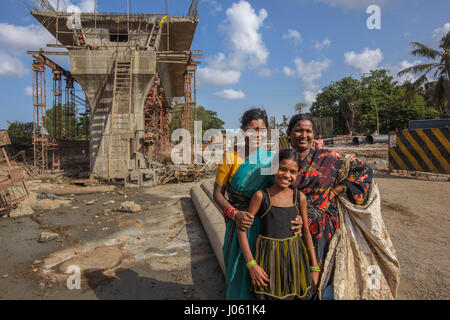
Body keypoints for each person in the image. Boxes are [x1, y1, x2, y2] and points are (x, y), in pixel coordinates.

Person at [213, 108, 303, 300]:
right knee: (238, 274)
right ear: (243, 130)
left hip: (267, 228)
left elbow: (282, 191)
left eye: (261, 130)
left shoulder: (272, 160)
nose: (257, 135)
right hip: (239, 225)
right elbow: (217, 194)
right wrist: (235, 214)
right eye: (252, 130)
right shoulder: (231, 157)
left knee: (265, 276)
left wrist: (298, 218)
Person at [286, 114, 373, 300]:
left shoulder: (329, 157)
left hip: (323, 229)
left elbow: (365, 170)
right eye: (298, 130)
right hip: (291, 226)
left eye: (308, 131)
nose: (303, 135)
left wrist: (337, 190)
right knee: (293, 276)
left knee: (324, 274)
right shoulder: (281, 161)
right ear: (289, 134)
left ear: (314, 134)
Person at [237, 149, 320, 300]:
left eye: (293, 172)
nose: (287, 175)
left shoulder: (299, 197)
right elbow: (241, 230)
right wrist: (252, 265)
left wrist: (314, 266)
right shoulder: (261, 196)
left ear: (298, 174)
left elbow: (306, 232)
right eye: (282, 169)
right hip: (269, 259)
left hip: (295, 258)